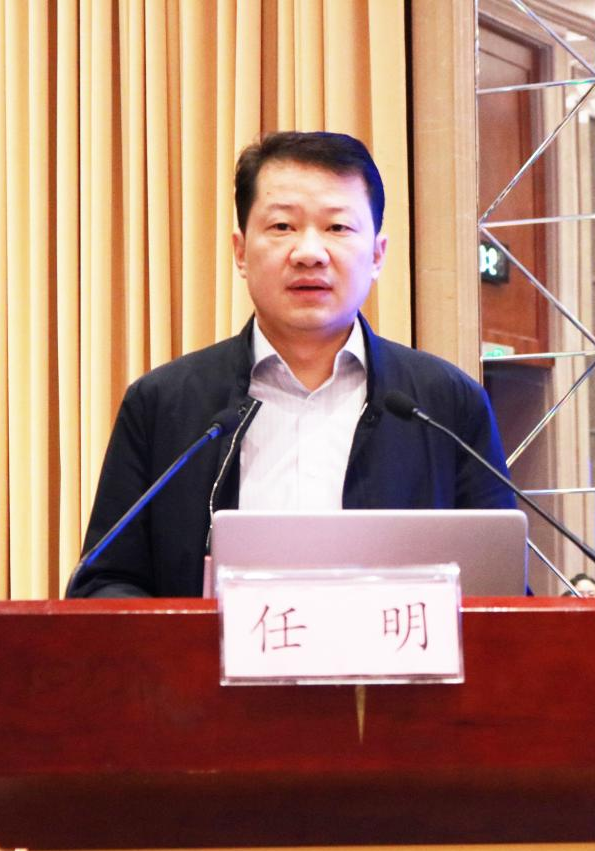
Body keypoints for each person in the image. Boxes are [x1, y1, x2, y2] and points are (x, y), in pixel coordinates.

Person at [69, 131, 514, 598]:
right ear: (241, 252)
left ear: (377, 255)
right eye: (282, 226)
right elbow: (104, 583)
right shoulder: (165, 404)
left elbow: (498, 589)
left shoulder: (444, 404)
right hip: (210, 651)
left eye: (337, 228)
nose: (309, 253)